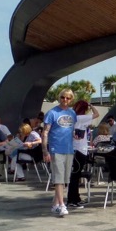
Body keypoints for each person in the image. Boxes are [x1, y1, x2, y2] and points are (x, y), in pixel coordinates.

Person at [42, 88, 76, 217]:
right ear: (59, 97)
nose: (65, 100)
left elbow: (69, 130)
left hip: (69, 149)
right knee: (59, 179)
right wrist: (45, 151)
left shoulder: (72, 113)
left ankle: (55, 204)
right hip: (56, 149)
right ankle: (62, 204)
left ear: (71, 99)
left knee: (65, 179)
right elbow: (45, 132)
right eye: (63, 97)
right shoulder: (52, 113)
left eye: (68, 98)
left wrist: (75, 136)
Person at [68, 100, 99, 208]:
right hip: (80, 149)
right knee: (75, 176)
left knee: (75, 175)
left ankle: (76, 198)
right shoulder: (81, 118)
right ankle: (72, 200)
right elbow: (96, 114)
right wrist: (91, 105)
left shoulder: (74, 118)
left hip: (77, 149)